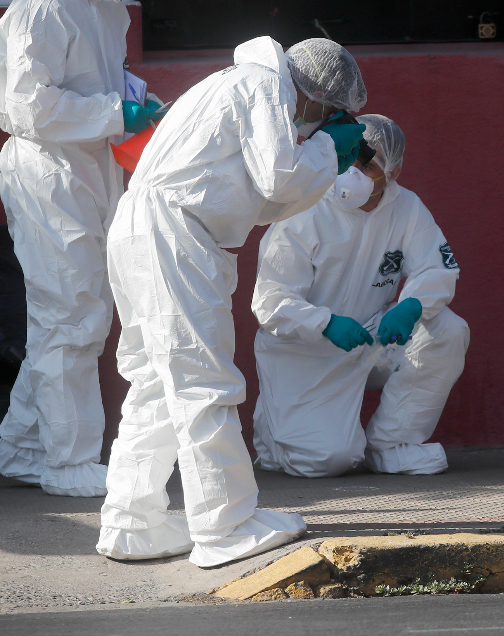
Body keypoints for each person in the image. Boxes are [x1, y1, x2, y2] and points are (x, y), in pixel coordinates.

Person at [96, 36, 366, 567]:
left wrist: (320, 155)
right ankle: (226, 525)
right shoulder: (263, 85)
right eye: (328, 114)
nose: (317, 125)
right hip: (174, 235)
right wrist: (326, 151)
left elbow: (261, 199)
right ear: (313, 96)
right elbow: (280, 175)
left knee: (155, 381)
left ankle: (133, 524)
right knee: (204, 381)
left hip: (146, 229)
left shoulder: (238, 85)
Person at [0, 0, 165, 497]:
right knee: (70, 316)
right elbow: (23, 104)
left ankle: (24, 447)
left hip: (92, 172)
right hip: (49, 177)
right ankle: (69, 462)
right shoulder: (44, 8)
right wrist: (117, 112)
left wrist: (138, 105)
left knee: (76, 314)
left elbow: (104, 86)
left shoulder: (111, 10)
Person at [251, 114, 469, 478]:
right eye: (349, 156)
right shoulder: (304, 209)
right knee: (325, 460)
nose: (352, 170)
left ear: (393, 173)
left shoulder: (407, 208)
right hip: (305, 352)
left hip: (372, 339)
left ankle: (390, 445)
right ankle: (273, 437)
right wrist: (325, 323)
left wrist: (412, 304)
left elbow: (437, 268)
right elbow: (271, 301)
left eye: (366, 164)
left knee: (447, 330)